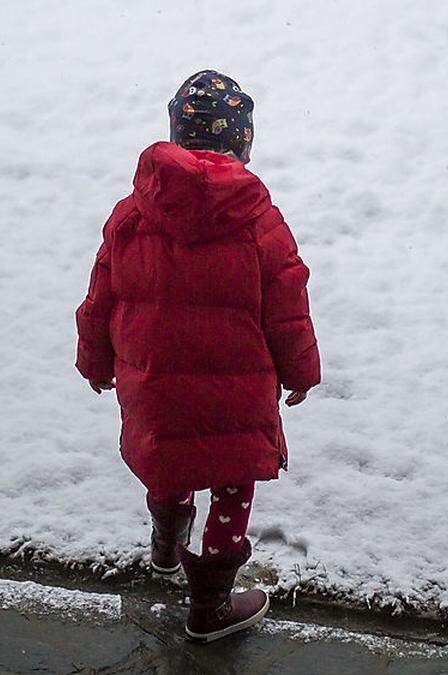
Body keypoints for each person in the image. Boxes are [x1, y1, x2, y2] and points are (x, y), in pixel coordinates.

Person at [74, 69, 320, 642]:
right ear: (243, 142)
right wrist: (301, 369)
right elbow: (288, 303)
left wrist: (94, 358)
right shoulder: (258, 219)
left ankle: (166, 545)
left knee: (170, 459)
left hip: (154, 385)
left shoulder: (132, 213)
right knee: (232, 480)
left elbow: (100, 293)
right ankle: (208, 608)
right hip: (237, 393)